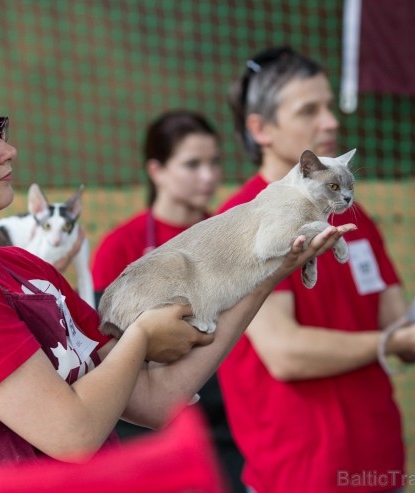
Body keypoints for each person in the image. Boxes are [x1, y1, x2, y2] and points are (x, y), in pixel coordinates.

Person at [0, 65, 352, 486]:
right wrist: (145, 335)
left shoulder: (23, 268)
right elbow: (74, 433)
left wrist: (272, 267)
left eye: (0, 130)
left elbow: (157, 400)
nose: (8, 151)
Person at [216, 46, 415, 493]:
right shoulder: (244, 219)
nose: (330, 122)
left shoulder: (353, 216)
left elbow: (407, 335)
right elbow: (286, 353)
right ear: (260, 128)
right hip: (299, 477)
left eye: (329, 106)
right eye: (310, 110)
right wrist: (393, 340)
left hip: (380, 466)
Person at [91, 109, 245, 492]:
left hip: (227, 417)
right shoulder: (120, 246)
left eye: (214, 163)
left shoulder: (230, 239)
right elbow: (107, 346)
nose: (208, 176)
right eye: (192, 164)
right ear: (156, 170)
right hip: (147, 422)